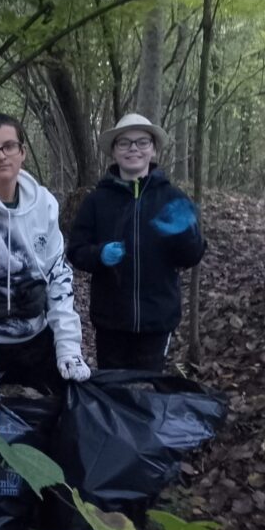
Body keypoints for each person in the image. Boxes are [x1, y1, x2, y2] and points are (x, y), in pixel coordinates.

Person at [0, 112, 90, 394]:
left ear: (22, 152)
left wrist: (68, 347)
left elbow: (57, 273)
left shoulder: (44, 203)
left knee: (61, 414)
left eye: (9, 146)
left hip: (35, 336)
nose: (1, 156)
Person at [67, 113, 205, 372]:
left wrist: (186, 234)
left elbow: (192, 256)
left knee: (147, 393)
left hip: (158, 320)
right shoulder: (96, 200)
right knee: (115, 393)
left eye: (142, 142)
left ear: (153, 149)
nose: (134, 149)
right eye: (125, 143)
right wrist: (99, 254)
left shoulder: (171, 197)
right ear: (114, 152)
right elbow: (75, 251)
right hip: (111, 321)